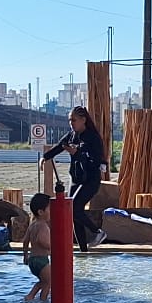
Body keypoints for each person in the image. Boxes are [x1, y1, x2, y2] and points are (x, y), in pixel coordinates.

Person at [41, 105, 107, 253]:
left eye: (74, 120)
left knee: (75, 208)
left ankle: (97, 232)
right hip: (76, 178)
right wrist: (45, 158)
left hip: (90, 179)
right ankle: (83, 250)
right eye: (70, 120)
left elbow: (95, 161)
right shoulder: (72, 135)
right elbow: (60, 146)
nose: (72, 123)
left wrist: (77, 153)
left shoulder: (92, 137)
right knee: (73, 214)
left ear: (83, 120)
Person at [23, 191, 53, 303]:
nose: (52, 212)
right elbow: (42, 240)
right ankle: (43, 300)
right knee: (49, 282)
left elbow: (25, 241)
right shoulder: (43, 226)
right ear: (41, 212)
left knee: (43, 281)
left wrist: (25, 256)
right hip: (41, 260)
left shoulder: (33, 225)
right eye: (50, 209)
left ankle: (30, 296)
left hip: (32, 260)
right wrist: (53, 247)